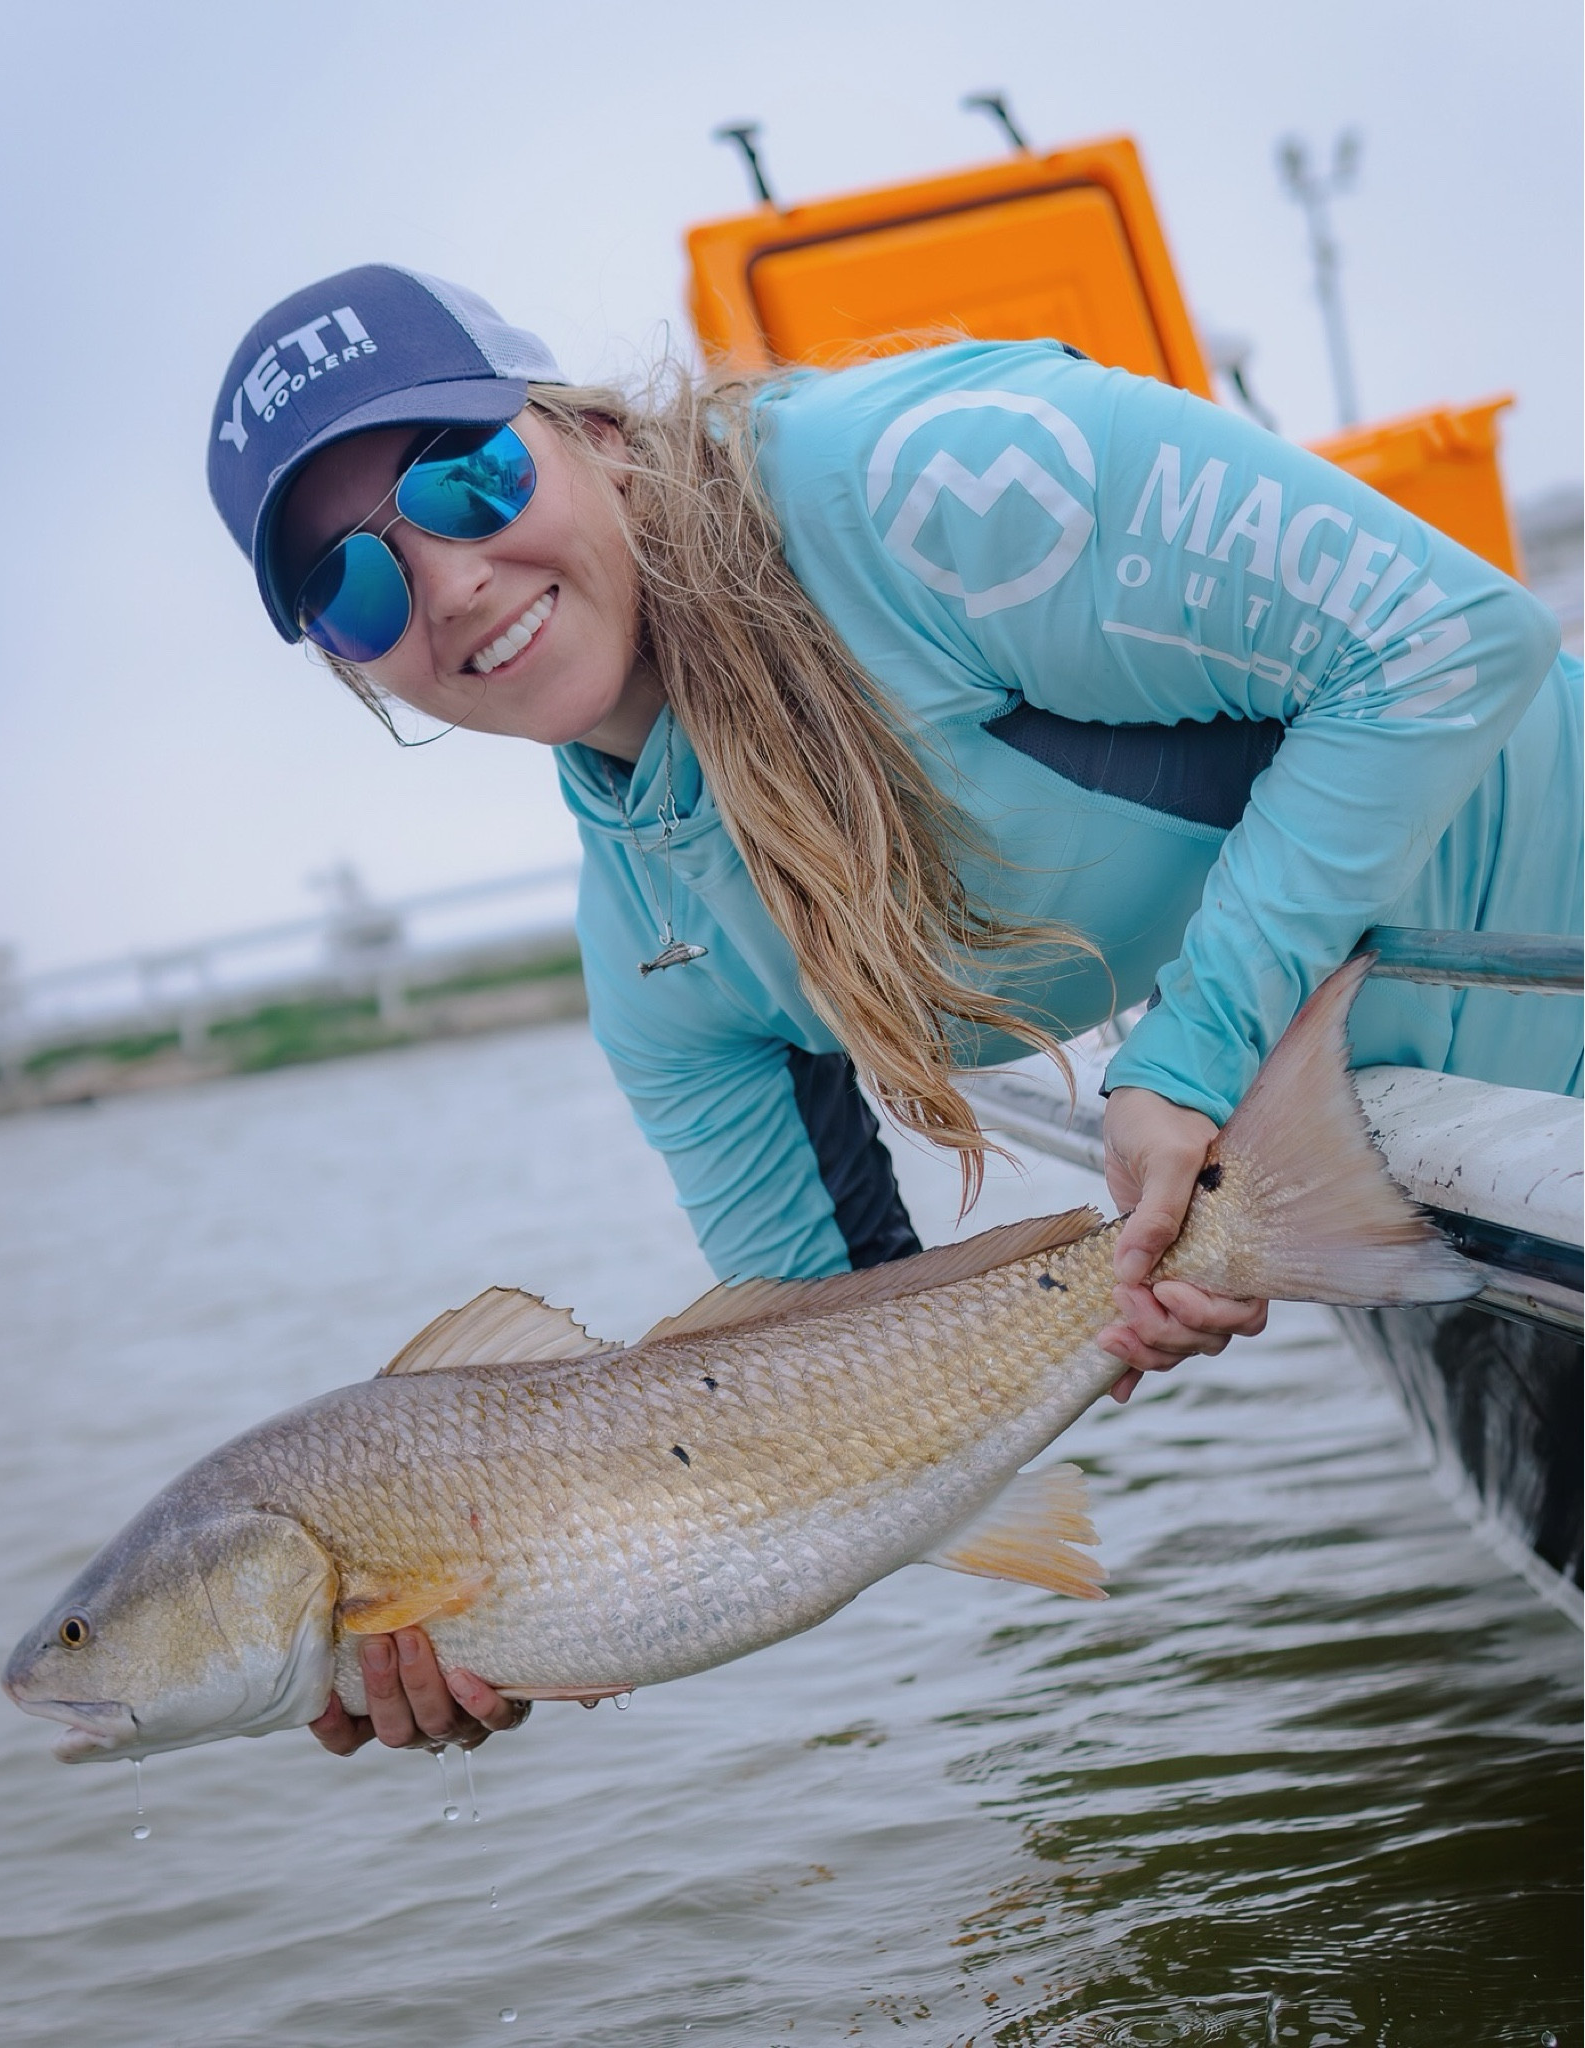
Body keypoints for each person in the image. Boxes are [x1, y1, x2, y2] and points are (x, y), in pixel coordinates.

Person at [207, 264, 1583, 1756]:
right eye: (353, 583)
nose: (449, 580)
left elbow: (1453, 637)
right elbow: (818, 1417)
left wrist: (1190, 1064)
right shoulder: (656, 966)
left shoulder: (929, 484)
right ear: (351, 669)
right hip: (1396, 1158)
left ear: (591, 427)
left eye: (465, 475)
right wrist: (529, 1608)